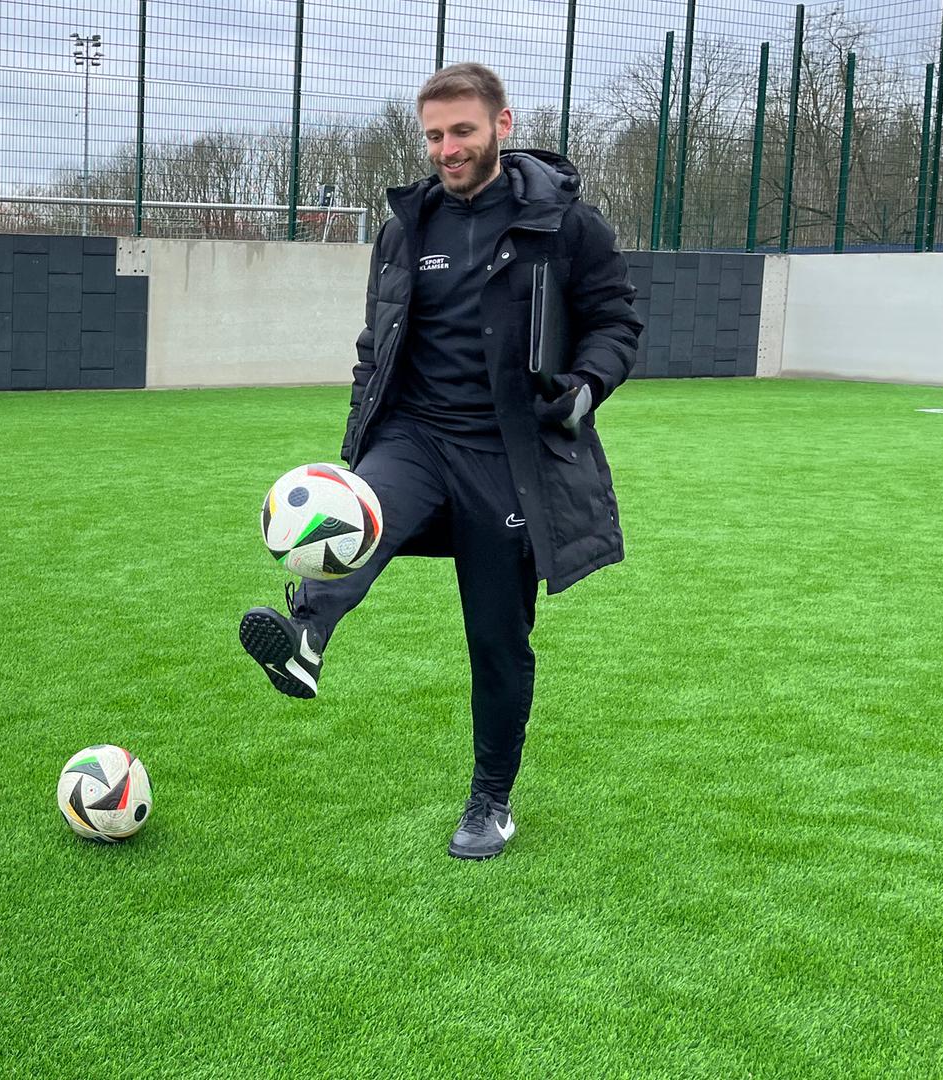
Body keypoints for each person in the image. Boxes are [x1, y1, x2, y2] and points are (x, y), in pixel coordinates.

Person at [237, 62, 643, 861]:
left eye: (461, 131)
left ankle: (491, 799)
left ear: (503, 125)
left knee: (497, 638)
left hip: (509, 453)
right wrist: (357, 440)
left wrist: (584, 388)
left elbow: (616, 323)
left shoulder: (567, 226)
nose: (446, 149)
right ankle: (308, 634)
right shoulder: (405, 226)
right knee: (355, 511)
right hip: (416, 432)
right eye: (433, 135)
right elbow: (376, 342)